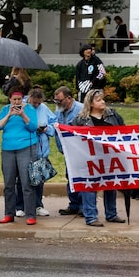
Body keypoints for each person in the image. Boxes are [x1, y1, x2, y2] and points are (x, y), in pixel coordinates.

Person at [71, 89, 127, 226]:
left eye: (103, 99)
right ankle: (91, 217)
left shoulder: (113, 115)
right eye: (98, 100)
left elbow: (124, 131)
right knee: (89, 185)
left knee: (110, 185)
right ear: (90, 103)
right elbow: (71, 137)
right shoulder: (81, 120)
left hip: (110, 156)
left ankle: (112, 214)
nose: (102, 102)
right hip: (89, 158)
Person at [0, 88, 39, 225]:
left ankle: (30, 214)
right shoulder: (5, 110)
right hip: (8, 149)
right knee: (8, 183)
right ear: (10, 100)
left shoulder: (29, 109)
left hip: (25, 148)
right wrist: (8, 115)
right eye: (14, 100)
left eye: (19, 99)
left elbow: (33, 127)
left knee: (26, 183)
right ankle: (9, 213)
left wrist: (23, 115)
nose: (17, 102)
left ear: (23, 99)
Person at [15, 87, 55, 218]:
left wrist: (46, 129)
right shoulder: (21, 106)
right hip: (25, 147)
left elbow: (54, 124)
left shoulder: (44, 108)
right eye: (34, 103)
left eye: (39, 103)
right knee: (22, 178)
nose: (37, 105)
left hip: (41, 149)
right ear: (29, 98)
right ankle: (20, 205)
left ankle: (38, 205)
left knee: (39, 178)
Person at [52, 86, 84, 216]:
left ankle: (83, 206)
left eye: (59, 100)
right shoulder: (59, 110)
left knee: (81, 177)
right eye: (56, 101)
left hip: (80, 150)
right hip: (66, 150)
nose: (57, 104)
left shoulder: (81, 110)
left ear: (69, 98)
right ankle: (74, 205)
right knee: (70, 176)